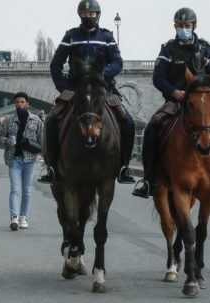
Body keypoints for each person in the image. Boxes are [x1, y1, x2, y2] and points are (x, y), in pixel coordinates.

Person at [133, 7, 210, 199]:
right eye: (180, 26)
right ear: (175, 27)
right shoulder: (168, 49)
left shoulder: (206, 48)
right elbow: (158, 78)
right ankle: (148, 180)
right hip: (177, 100)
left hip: (202, 100)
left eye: (187, 25)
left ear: (194, 26)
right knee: (153, 127)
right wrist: (173, 92)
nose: (183, 28)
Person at [38, 0, 136, 185]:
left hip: (103, 88)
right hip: (76, 89)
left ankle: (124, 166)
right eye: (84, 14)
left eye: (91, 14)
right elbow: (56, 64)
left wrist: (101, 75)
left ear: (98, 15)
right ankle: (51, 167)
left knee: (127, 121)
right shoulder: (71, 36)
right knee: (51, 120)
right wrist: (64, 87)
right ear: (79, 15)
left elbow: (117, 62)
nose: (88, 17)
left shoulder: (107, 37)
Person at [0, 92, 43, 231]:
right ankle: (14, 217)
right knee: (15, 189)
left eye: (22, 102)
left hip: (30, 160)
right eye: (17, 102)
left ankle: (23, 217)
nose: (19, 104)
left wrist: (42, 154)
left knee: (27, 191)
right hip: (14, 159)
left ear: (27, 104)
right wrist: (7, 141)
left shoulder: (36, 120)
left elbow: (42, 141)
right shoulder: (8, 120)